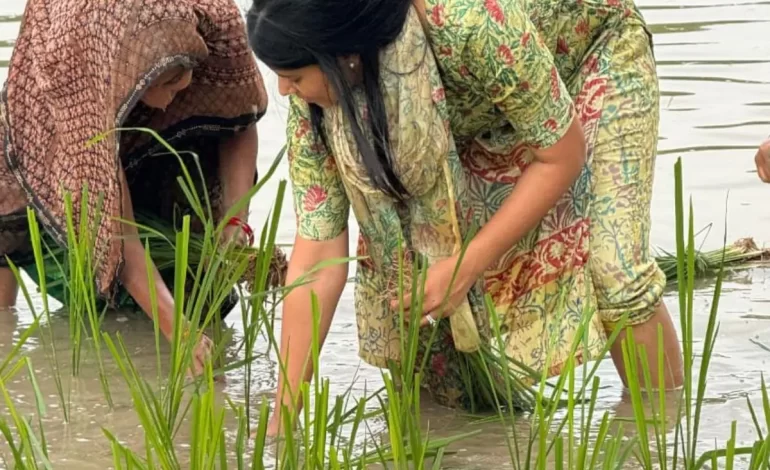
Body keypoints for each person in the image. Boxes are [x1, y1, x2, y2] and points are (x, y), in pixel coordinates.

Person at [247, 0, 685, 432]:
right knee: (416, 279)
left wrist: (466, 264)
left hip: (592, 55)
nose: (284, 91)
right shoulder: (316, 101)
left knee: (616, 273)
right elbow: (316, 258)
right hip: (477, 105)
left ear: (346, 53)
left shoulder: (470, 20)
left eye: (294, 77)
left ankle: (662, 436)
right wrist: (283, 420)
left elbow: (561, 155)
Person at [0, 0, 285, 375]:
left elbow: (238, 119)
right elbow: (120, 234)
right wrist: (181, 335)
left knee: (190, 275)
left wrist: (234, 224)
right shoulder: (79, 75)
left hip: (145, 83)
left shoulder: (216, 24)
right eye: (166, 83)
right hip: (68, 113)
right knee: (19, 232)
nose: (175, 92)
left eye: (182, 77)